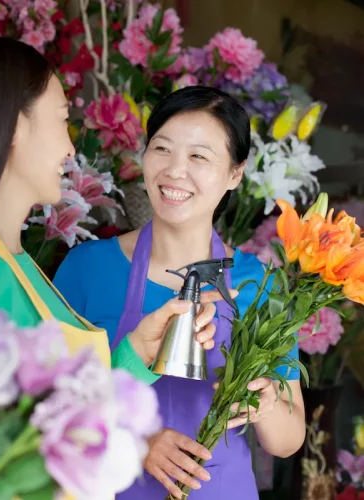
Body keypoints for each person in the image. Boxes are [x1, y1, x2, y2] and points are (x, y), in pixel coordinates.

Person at [0, 37, 226, 452]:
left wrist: (137, 351)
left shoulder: (16, 266)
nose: (70, 148)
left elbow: (57, 418)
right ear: (14, 127)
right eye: (62, 119)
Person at [53, 86, 306, 500]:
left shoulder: (258, 285)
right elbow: (48, 405)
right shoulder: (86, 268)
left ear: (235, 173)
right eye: (162, 149)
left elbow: (287, 440)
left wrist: (266, 406)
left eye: (199, 157)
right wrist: (138, 442)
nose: (174, 170)